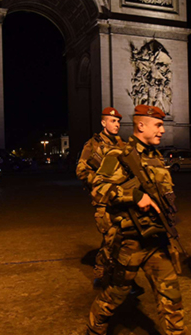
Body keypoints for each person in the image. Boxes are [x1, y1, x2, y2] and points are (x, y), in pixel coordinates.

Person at [85, 105, 188, 335]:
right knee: (116, 294)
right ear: (141, 126)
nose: (163, 130)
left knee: (171, 297)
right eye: (158, 125)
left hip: (157, 240)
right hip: (130, 242)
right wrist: (133, 196)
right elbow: (98, 188)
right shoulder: (119, 155)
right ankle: (95, 326)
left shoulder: (156, 157)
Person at [76, 107, 126, 284]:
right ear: (103, 123)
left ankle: (121, 275)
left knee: (123, 237)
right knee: (110, 236)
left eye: (118, 121)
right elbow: (81, 170)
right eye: (113, 121)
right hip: (104, 200)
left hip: (122, 198)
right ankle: (101, 268)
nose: (117, 124)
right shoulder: (93, 145)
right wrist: (100, 183)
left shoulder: (123, 145)